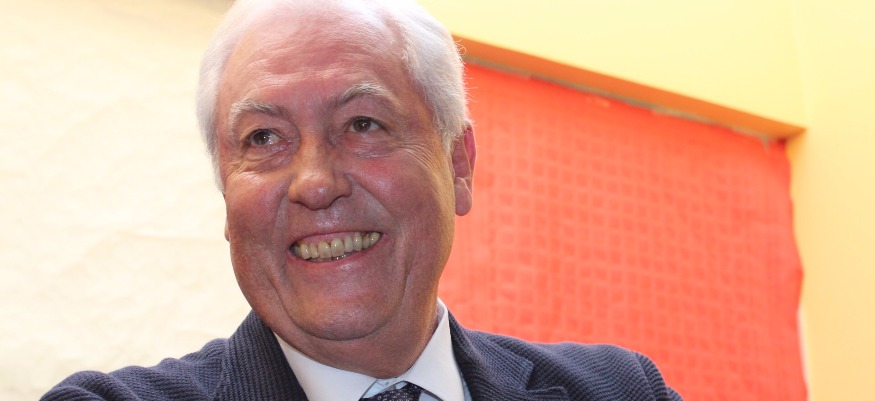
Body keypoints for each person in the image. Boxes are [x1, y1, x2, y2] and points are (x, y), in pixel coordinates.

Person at [42, 0, 682, 400]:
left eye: (362, 124)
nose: (315, 183)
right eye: (263, 138)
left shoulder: (622, 390)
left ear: (458, 164)